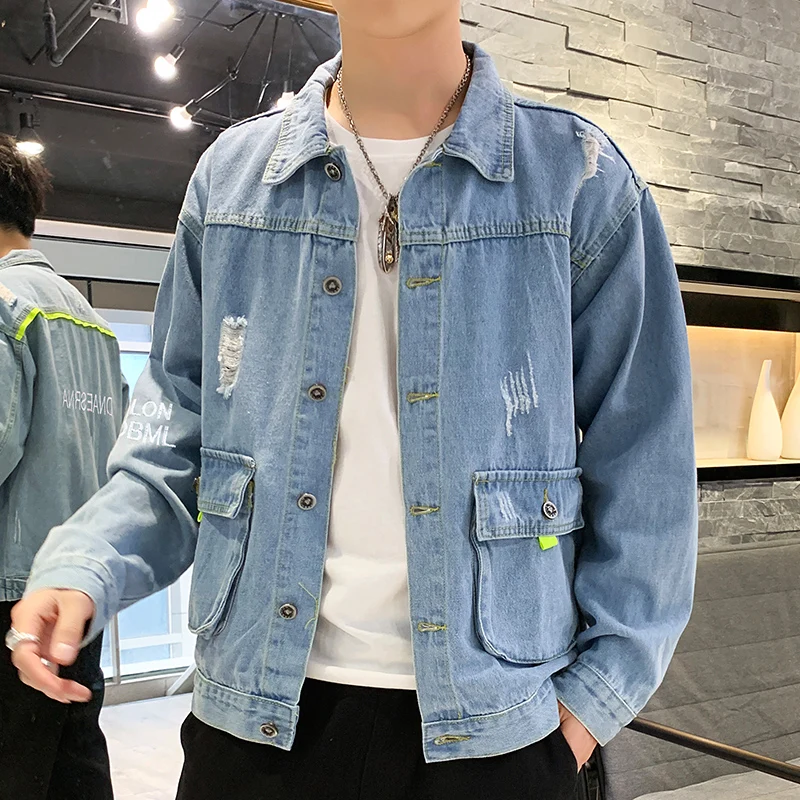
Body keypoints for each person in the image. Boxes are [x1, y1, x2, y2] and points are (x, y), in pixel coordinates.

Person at [10, 1, 698, 798]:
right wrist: (86, 563)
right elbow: (172, 442)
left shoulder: (578, 180)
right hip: (256, 723)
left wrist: (586, 711)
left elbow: (647, 466)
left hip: (500, 732)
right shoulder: (234, 182)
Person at [0, 135, 126, 798]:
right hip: (76, 585)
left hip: (10, 592)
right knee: (73, 759)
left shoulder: (4, 306)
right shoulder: (93, 323)